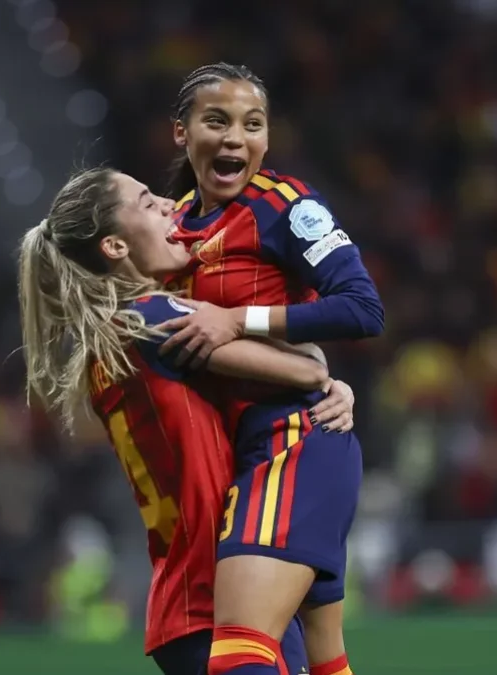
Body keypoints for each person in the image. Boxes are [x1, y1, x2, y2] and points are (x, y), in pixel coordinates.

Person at [16, 167, 354, 675]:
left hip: (198, 598)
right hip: (221, 597)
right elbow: (308, 369)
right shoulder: (157, 317)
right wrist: (329, 385)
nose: (173, 208)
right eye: (149, 203)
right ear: (114, 246)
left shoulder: (115, 338)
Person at [142, 62, 383, 675]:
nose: (235, 139)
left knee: (240, 654)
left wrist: (237, 320)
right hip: (240, 456)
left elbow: (362, 308)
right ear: (181, 133)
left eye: (252, 125)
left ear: (267, 140)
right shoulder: (169, 231)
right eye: (216, 121)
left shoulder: (283, 205)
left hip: (292, 441)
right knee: (323, 663)